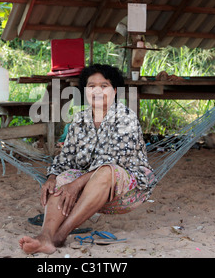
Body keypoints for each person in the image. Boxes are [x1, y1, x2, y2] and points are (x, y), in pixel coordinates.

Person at [19, 64, 154, 254]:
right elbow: (66, 159)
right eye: (91, 86)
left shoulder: (126, 118)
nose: (97, 91)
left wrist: (76, 185)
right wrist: (52, 178)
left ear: (115, 91)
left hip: (127, 193)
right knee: (63, 178)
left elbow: (113, 162)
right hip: (91, 194)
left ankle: (60, 235)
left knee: (106, 171)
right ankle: (46, 236)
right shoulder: (79, 120)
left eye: (104, 85)